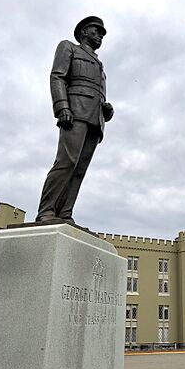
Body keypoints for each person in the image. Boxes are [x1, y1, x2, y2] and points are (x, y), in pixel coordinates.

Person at [36, 16, 114, 224]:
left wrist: (106, 109)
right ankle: (46, 211)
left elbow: (96, 91)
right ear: (83, 32)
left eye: (102, 34)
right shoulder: (68, 47)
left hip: (95, 118)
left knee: (80, 169)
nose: (100, 36)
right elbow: (57, 77)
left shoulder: (100, 63)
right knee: (66, 162)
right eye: (96, 31)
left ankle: (65, 213)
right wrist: (62, 106)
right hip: (75, 112)